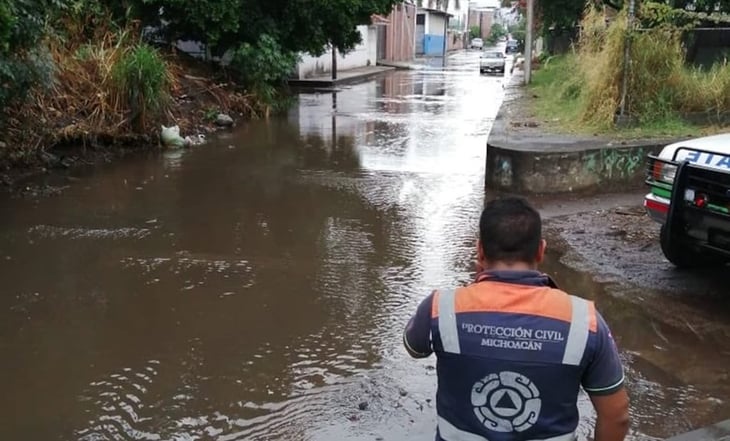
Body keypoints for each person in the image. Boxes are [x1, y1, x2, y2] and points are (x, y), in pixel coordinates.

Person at [403, 196, 629, 441]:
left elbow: (414, 347)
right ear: (541, 250)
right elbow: (616, 416)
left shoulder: (440, 307)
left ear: (479, 250)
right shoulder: (585, 321)